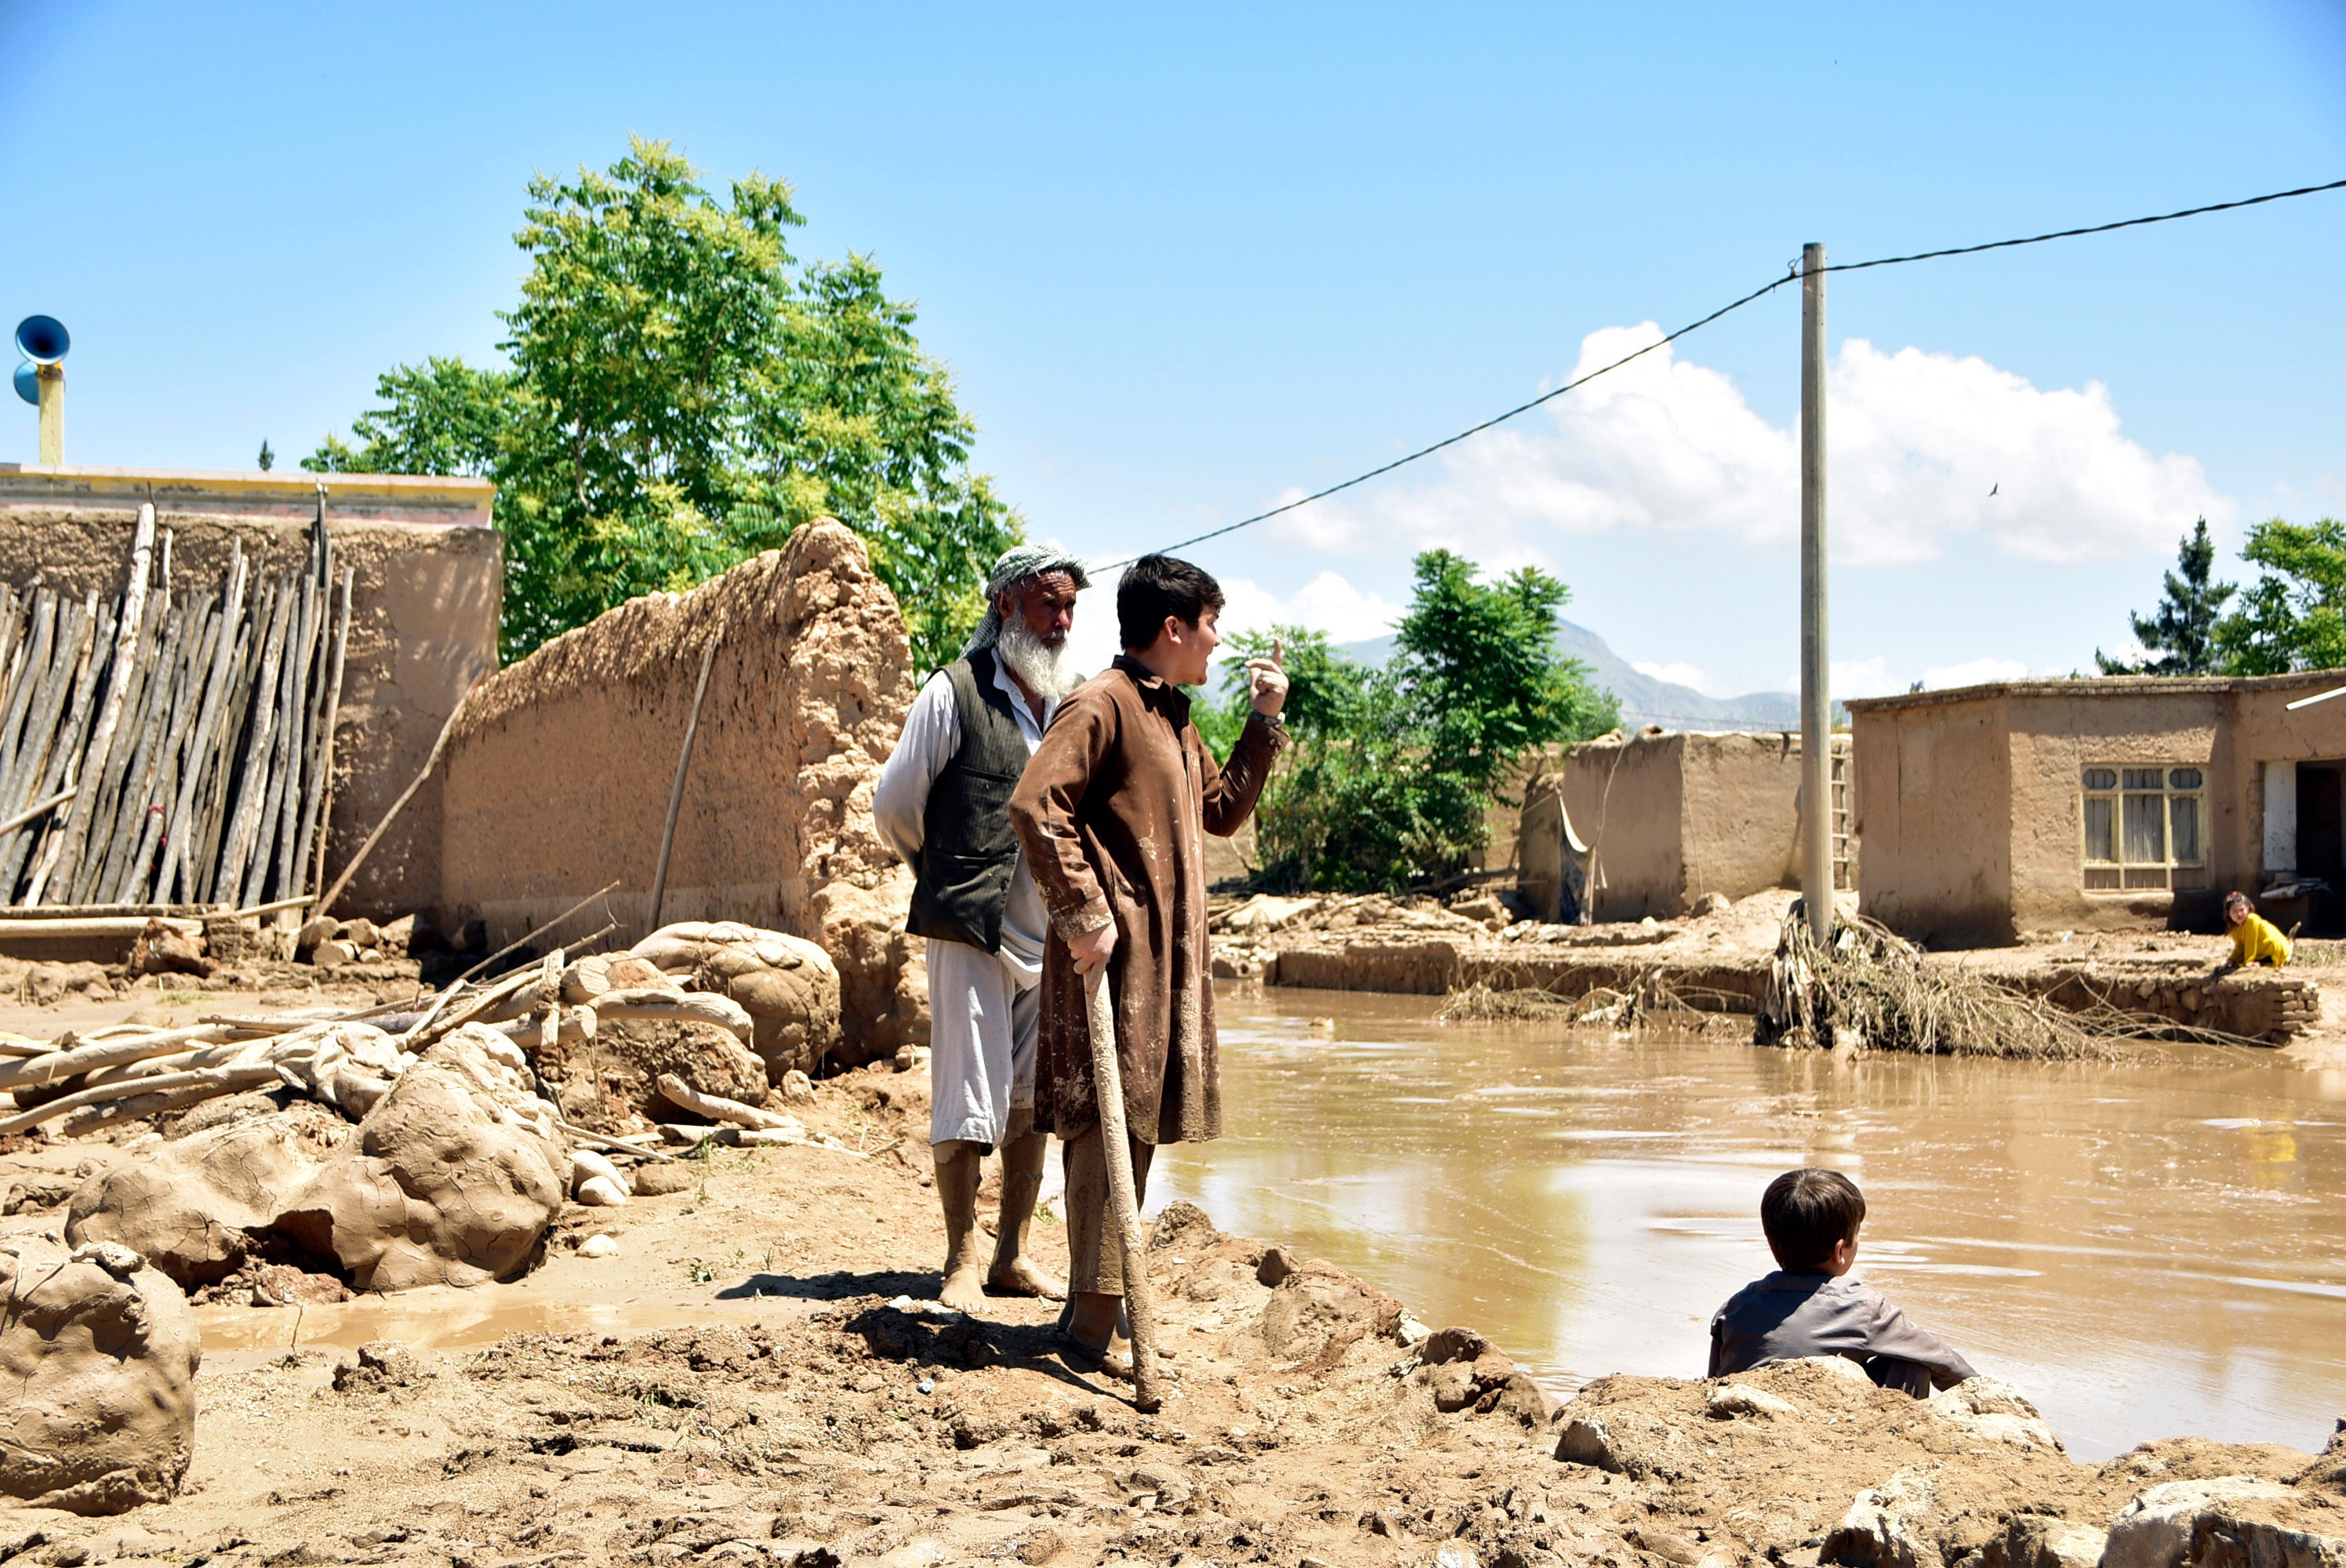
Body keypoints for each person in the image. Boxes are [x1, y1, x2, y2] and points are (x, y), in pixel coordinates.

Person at [1009, 554, 1287, 1374]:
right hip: (1114, 959)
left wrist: (1263, 719)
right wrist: (1083, 913)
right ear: (1173, 627)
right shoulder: (1101, 703)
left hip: (1160, 963)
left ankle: (1094, 1311)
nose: (1216, 643)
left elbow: (1220, 810)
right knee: (1109, 1123)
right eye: (1210, 626)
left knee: (1132, 1122)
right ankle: (1092, 1325)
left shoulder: (1171, 713)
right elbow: (1035, 804)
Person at [873, 543, 1090, 1312]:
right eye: (1046, 604)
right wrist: (940, 875)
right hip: (971, 925)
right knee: (966, 1095)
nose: (1061, 621)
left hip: (1051, 938)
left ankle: (1012, 1254)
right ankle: (959, 1259)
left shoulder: (1068, 705)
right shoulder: (954, 692)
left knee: (1030, 1096)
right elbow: (893, 803)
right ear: (1005, 605)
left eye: (1069, 607)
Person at [1709, 1167, 1977, 1397]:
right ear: (1840, 1251)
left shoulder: (1734, 1308)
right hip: (1833, 1426)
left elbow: (1712, 1383)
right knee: (1911, 1364)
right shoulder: (1863, 1308)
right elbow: (1943, 1361)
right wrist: (1990, 1395)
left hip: (1756, 1419)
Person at [2217, 891, 2291, 972]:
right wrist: (2231, 959)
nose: (2239, 914)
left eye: (2242, 910)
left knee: (2245, 963)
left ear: (2248, 909)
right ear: (2229, 913)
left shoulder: (2251, 920)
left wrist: (2249, 961)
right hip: (2261, 951)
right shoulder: (2234, 927)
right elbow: (2240, 946)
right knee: (2237, 961)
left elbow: (2250, 942)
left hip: (2274, 950)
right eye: (2235, 911)